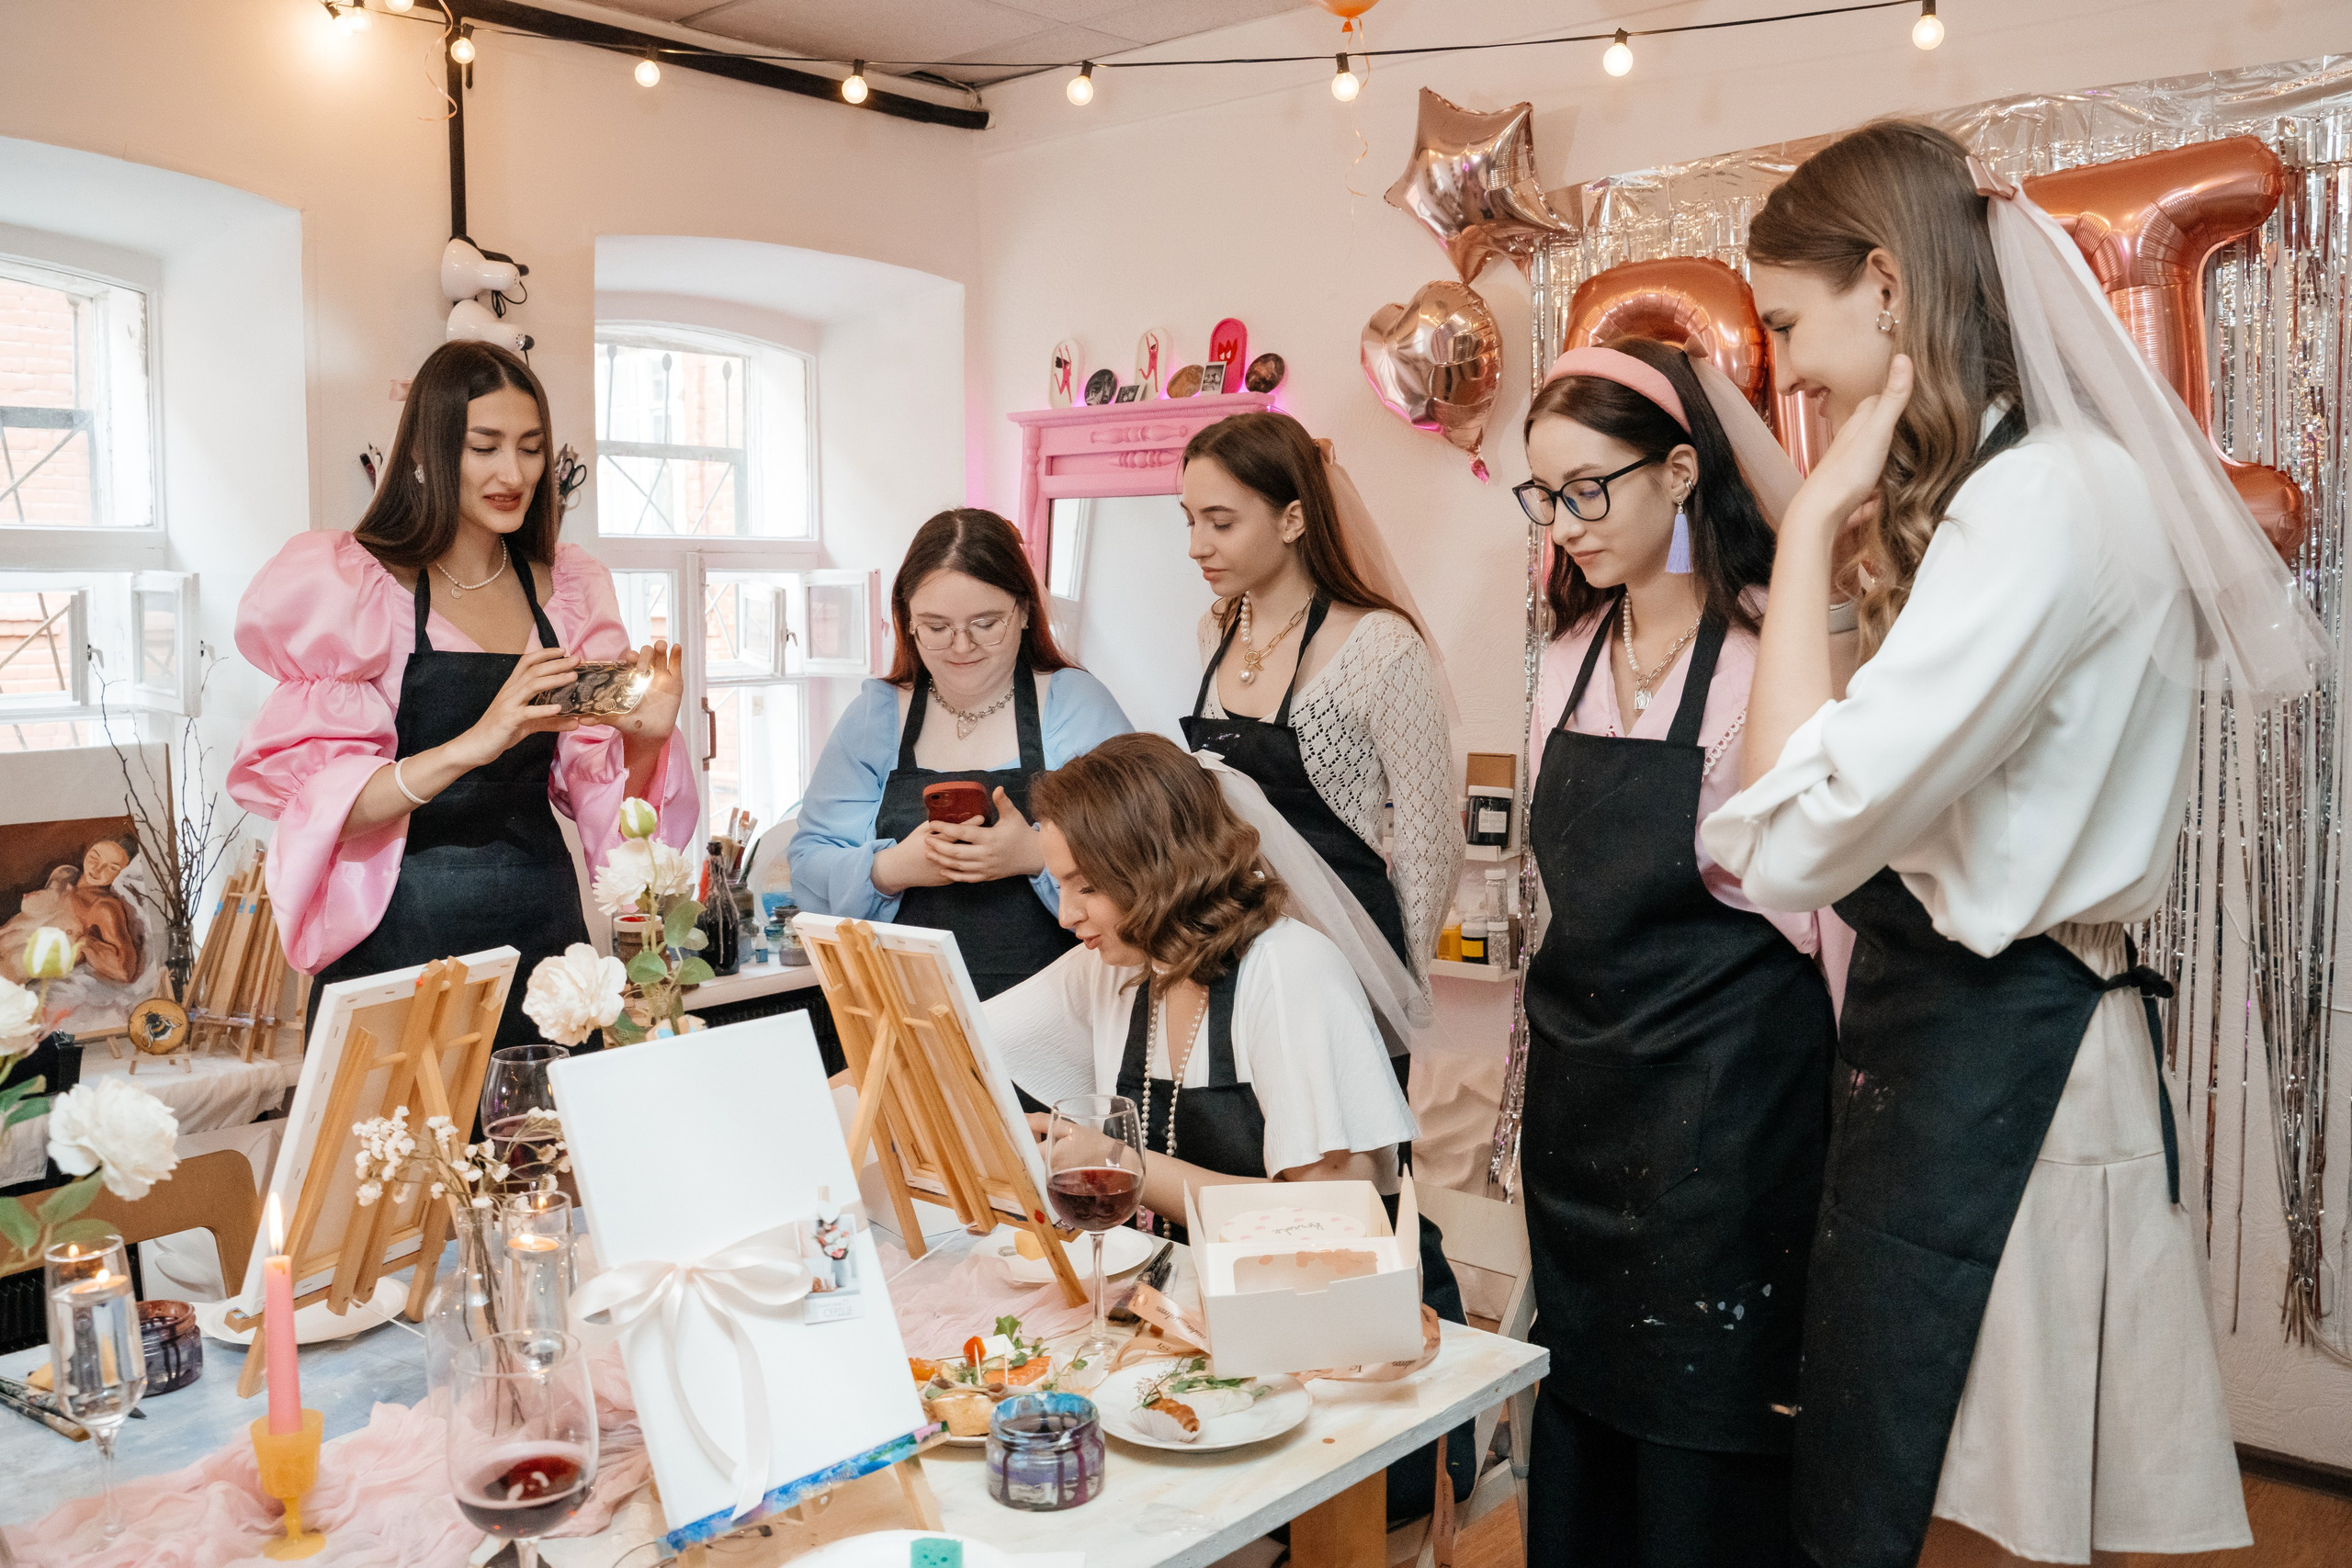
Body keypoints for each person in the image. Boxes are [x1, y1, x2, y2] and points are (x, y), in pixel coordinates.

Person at [1705, 121, 2324, 1568]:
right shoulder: (2030, 488)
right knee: (1977, 1489)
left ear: (1887, 284)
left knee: (1986, 1512)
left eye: (1790, 322)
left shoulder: (2038, 501)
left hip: (2006, 1068)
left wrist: (1803, 546)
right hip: (1981, 1047)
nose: (1786, 366)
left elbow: (1790, 828)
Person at [1513, 337, 1834, 1567]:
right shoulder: (1564, 662)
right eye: (1543, 495)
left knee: (1705, 1448)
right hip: (1584, 1115)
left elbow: (1831, 934)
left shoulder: (1767, 664)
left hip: (1730, 1128)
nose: (1564, 521)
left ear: (1682, 470)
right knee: (1589, 1420)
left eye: (1589, 487)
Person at [986, 731, 1474, 1526]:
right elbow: (951, 1031)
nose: (1066, 913)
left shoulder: (1290, 972)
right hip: (1215, 1346)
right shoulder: (1120, 965)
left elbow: (1330, 1224)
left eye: (1083, 887)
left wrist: (1120, 1161)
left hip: (1354, 1373)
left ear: (1150, 869)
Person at [229, 342, 695, 1053]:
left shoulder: (568, 592)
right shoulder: (356, 589)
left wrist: (647, 737)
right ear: (429, 447)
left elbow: (605, 816)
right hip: (400, 940)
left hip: (544, 944)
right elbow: (325, 808)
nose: (514, 473)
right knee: (406, 1159)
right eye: (486, 447)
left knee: (544, 1154)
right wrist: (474, 743)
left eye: (532, 449)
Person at [1180, 411, 1459, 1062]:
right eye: (1188, 520)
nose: (1196, 545)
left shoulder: (1381, 646)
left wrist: (1397, 979)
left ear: (1293, 519)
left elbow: (1431, 837)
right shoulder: (1214, 629)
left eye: (1220, 522)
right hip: (1238, 944)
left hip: (1348, 951)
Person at [788, 508, 1131, 1001]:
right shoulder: (876, 716)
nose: (961, 646)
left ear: (1026, 611)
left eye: (986, 623)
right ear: (906, 622)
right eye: (936, 627)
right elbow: (808, 866)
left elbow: (1145, 855)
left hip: (1062, 1010)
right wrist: (894, 868)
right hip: (909, 1010)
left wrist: (1035, 856)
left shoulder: (1074, 703)